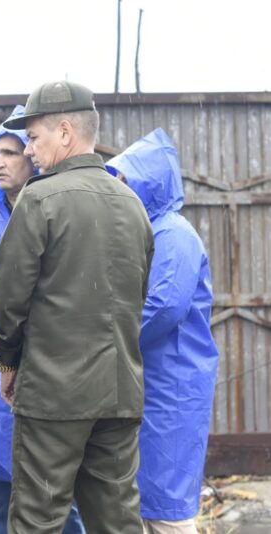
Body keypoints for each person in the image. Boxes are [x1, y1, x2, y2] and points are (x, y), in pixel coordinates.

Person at [0, 80, 154, 534]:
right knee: (117, 520)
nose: (30, 151)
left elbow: (10, 300)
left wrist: (7, 360)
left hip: (54, 396)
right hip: (120, 393)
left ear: (65, 132)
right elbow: (135, 295)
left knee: (38, 519)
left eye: (34, 139)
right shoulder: (133, 203)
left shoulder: (39, 199)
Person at [0, 105, 84, 534]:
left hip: (49, 363)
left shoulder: (59, 213)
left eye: (10, 153)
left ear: (32, 154)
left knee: (59, 496)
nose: (0, 163)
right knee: (4, 499)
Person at [106, 128, 219, 534]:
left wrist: (106, 343)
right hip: (150, 379)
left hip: (170, 383)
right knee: (146, 501)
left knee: (167, 509)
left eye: (125, 180)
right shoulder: (146, 230)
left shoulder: (172, 233)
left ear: (148, 181)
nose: (118, 189)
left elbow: (164, 307)